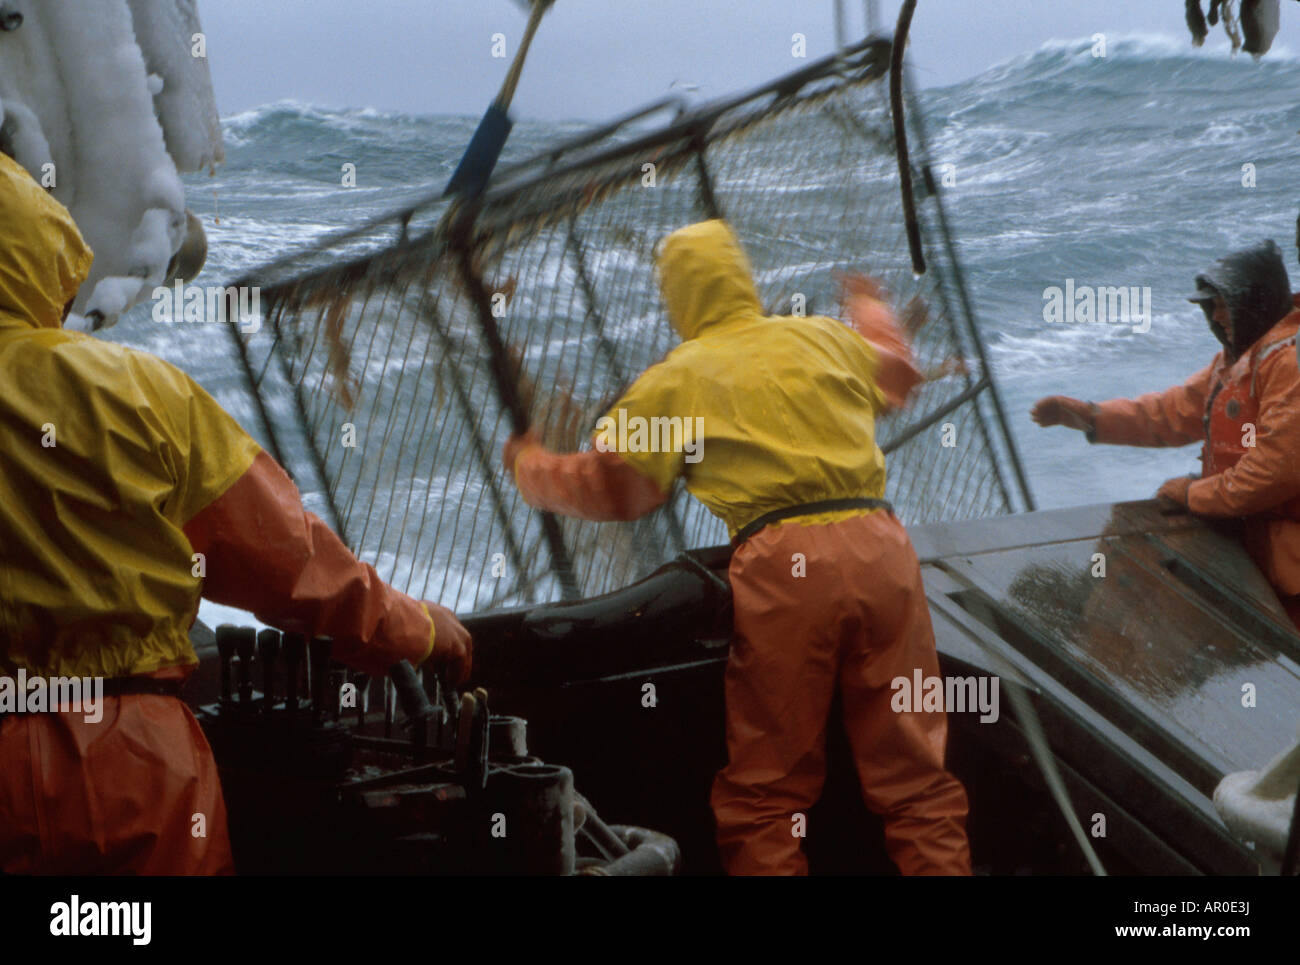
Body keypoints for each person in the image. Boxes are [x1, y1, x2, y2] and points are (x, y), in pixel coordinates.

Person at [0, 152, 471, 874]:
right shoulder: (139, 391)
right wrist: (423, 629)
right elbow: (293, 566)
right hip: (136, 764)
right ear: (44, 254)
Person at [502, 219, 972, 875]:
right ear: (742, 280)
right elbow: (897, 374)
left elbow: (620, 491)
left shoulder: (677, 380)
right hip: (882, 549)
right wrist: (867, 303)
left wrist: (531, 470)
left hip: (786, 570)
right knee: (919, 781)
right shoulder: (822, 338)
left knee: (767, 797)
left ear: (678, 300)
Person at [1032, 239, 1300, 628]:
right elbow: (1171, 412)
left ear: (1258, 300)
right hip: (1249, 540)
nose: (1219, 315)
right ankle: (1090, 636)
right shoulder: (1239, 359)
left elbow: (1277, 469)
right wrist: (1093, 417)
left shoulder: (1288, 362)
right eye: (1212, 305)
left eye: (1227, 302)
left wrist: (1194, 494)